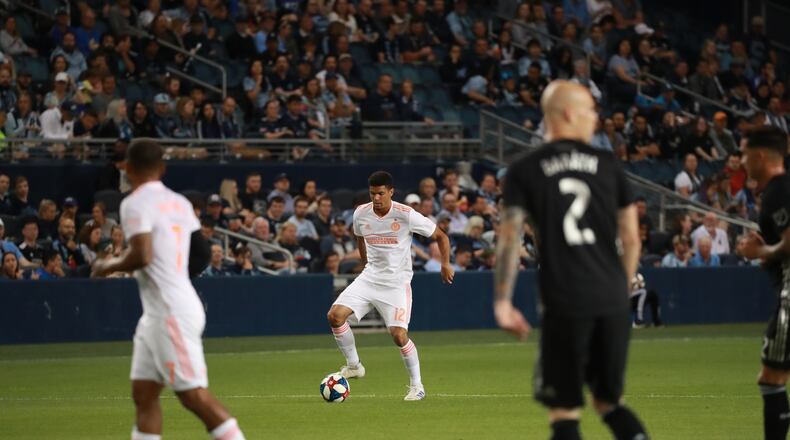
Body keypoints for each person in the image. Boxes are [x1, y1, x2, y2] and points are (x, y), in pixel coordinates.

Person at [493, 81, 648, 440]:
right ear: (566, 113)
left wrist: (502, 302)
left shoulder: (525, 168)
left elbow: (509, 236)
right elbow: (631, 237)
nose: (596, 119)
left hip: (565, 298)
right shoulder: (609, 164)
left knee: (565, 412)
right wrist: (620, 286)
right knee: (610, 403)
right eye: (590, 111)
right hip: (610, 298)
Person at [90, 140, 246, 440]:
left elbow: (143, 254)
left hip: (170, 313)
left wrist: (107, 265)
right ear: (162, 167)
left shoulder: (133, 202)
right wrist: (175, 279)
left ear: (128, 167)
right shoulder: (180, 202)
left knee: (193, 397)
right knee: (144, 394)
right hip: (161, 311)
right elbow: (200, 253)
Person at [326, 171, 454, 401]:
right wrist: (366, 264)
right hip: (370, 278)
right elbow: (359, 237)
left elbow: (441, 236)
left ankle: (417, 386)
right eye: (373, 193)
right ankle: (354, 365)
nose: (376, 198)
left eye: (381, 193)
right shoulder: (360, 214)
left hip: (396, 284)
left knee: (398, 335)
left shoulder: (406, 214)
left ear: (391, 192)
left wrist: (445, 264)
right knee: (335, 316)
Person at [737, 126, 790, 440]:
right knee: (773, 376)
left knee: (771, 377)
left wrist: (760, 250)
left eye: (744, 154)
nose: (742, 161)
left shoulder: (778, 191)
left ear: (759, 156)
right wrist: (766, 253)